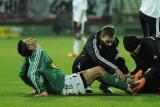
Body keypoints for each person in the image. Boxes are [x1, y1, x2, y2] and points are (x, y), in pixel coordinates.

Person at [17, 37, 134, 96]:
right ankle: (129, 87)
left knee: (98, 70)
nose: (29, 38)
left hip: (64, 82)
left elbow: (22, 74)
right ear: (30, 48)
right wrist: (41, 90)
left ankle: (128, 82)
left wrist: (38, 88)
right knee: (99, 70)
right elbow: (31, 74)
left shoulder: (30, 57)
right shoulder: (38, 53)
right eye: (27, 41)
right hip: (66, 86)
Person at [72, 25, 129, 94]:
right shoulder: (93, 40)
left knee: (120, 61)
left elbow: (114, 59)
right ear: (101, 37)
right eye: (107, 41)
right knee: (86, 60)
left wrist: (123, 74)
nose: (110, 44)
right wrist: (115, 69)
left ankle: (105, 86)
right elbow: (96, 57)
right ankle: (86, 85)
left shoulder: (115, 43)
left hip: (100, 65)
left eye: (112, 41)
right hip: (83, 65)